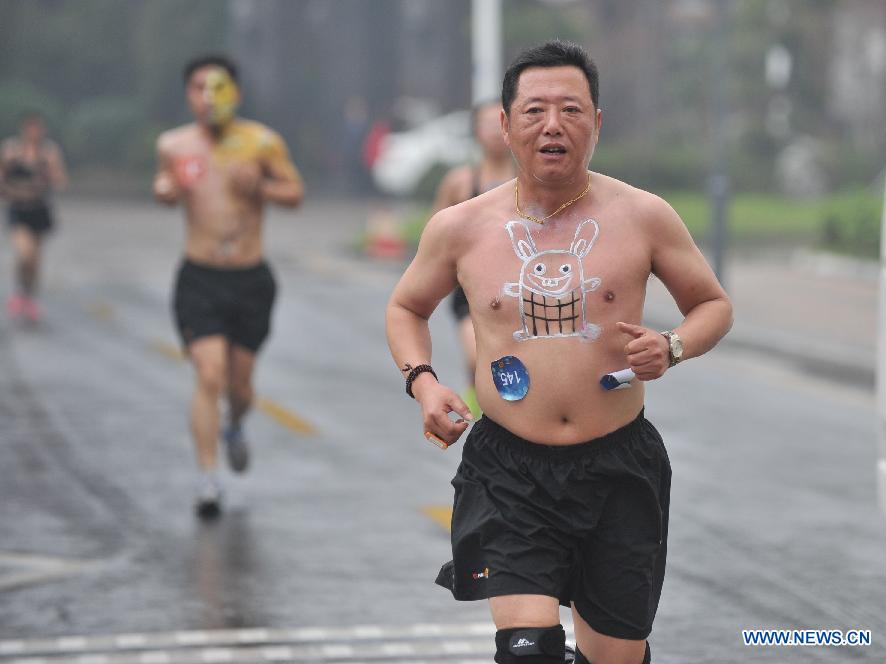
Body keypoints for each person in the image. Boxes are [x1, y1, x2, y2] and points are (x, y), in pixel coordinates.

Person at [385, 40, 732, 664]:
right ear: (504, 124)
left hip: (619, 467)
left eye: (571, 110)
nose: (553, 125)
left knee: (616, 657)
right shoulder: (461, 227)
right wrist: (424, 381)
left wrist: (673, 346)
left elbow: (713, 305)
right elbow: (407, 308)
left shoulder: (644, 216)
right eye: (535, 110)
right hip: (508, 470)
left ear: (596, 123)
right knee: (527, 653)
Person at [153, 54, 304, 518]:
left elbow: (294, 193)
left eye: (215, 87)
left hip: (250, 279)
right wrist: (166, 189)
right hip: (199, 277)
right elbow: (164, 186)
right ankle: (207, 479)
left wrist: (260, 185)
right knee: (209, 375)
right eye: (197, 87)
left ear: (234, 92)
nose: (206, 96)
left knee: (239, 388)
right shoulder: (175, 145)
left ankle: (235, 424)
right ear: (188, 93)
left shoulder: (261, 142)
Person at [431, 100, 515, 419]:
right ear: (476, 132)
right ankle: (478, 418)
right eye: (486, 125)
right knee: (478, 358)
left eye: (499, 124)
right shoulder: (461, 182)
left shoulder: (532, 180)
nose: (494, 132)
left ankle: (510, 419)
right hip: (470, 292)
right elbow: (435, 233)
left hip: (518, 288)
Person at [0, 111, 68, 323]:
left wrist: (49, 173)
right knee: (25, 253)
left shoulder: (49, 152)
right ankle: (20, 292)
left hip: (39, 209)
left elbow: (60, 180)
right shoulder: (11, 151)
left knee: (36, 260)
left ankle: (29, 297)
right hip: (18, 208)